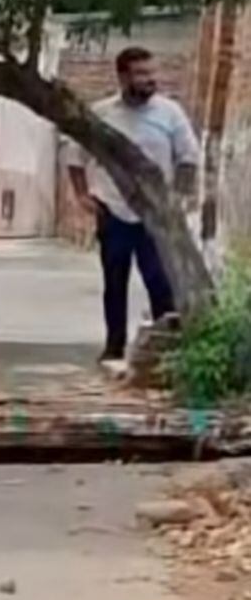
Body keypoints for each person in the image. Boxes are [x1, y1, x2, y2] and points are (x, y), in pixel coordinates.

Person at [68, 46, 200, 373]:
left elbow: (188, 158)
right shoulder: (101, 114)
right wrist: (83, 196)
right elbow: (74, 156)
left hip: (154, 215)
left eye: (152, 73)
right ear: (123, 76)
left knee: (159, 281)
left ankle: (165, 351)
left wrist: (179, 200)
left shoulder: (170, 113)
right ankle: (114, 346)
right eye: (141, 74)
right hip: (112, 210)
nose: (149, 80)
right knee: (115, 282)